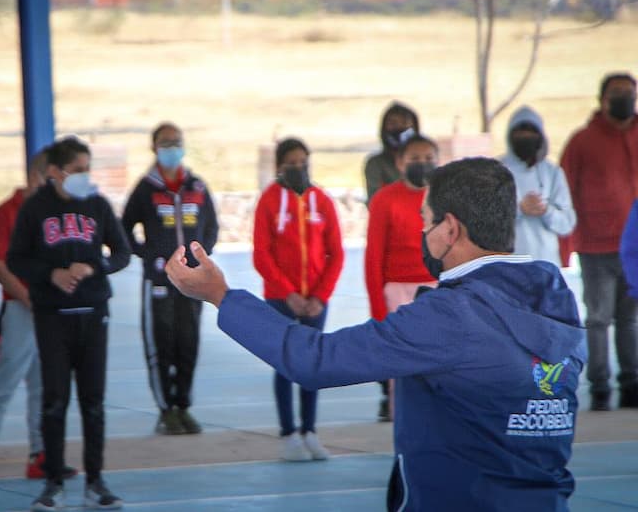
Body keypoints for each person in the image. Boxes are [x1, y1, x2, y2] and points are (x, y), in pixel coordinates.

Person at [167, 158, 586, 511]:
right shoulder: (558, 303)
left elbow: (316, 359)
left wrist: (221, 296)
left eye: (425, 221)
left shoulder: (451, 317)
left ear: (450, 229)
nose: (421, 233)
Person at [7, 136, 131, 511]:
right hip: (53, 317)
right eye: (78, 170)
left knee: (93, 402)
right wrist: (52, 274)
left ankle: (95, 481)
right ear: (55, 173)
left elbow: (123, 252)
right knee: (55, 400)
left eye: (87, 169)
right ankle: (54, 481)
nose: (85, 176)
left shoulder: (97, 205)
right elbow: (16, 260)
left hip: (93, 314)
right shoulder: (35, 209)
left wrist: (94, 267)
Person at [0, 151, 77, 486]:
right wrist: (27, 297)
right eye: (57, 178)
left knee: (45, 386)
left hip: (50, 311)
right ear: (37, 177)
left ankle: (41, 456)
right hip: (20, 310)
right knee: (4, 384)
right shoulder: (7, 212)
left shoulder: (58, 213)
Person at [121, 122, 219, 435]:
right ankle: (165, 410)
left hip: (193, 280)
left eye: (177, 142)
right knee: (161, 344)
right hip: (159, 280)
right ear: (154, 148)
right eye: (165, 143)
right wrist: (146, 254)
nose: (172, 148)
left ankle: (184, 407)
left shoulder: (197, 186)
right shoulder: (145, 188)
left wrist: (201, 255)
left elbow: (211, 226)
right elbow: (123, 229)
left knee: (188, 342)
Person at [252, 137, 344, 461]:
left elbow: (336, 253)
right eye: (291, 163)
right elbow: (262, 255)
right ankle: (288, 433)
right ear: (279, 167)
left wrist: (320, 295)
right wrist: (287, 292)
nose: (298, 168)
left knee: (311, 363)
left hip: (315, 301)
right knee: (285, 363)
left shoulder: (323, 200)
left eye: (303, 162)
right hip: (281, 299)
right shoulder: (268, 201)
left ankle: (310, 430)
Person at [560, 72, 638, 410]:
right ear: (602, 99)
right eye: (617, 93)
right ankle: (600, 384)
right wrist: (569, 242)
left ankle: (632, 381)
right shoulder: (582, 141)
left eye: (629, 93)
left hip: (634, 250)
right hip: (597, 246)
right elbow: (565, 190)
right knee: (598, 318)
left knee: (630, 319)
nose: (624, 99)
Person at [365, 135, 438, 421]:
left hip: (437, 287)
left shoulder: (444, 196)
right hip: (397, 291)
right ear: (399, 162)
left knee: (437, 364)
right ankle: (405, 431)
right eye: (415, 160)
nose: (423, 165)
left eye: (429, 159)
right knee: (402, 369)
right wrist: (378, 310)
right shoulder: (385, 199)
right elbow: (374, 257)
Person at [501, 106, 576, 265]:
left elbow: (566, 223)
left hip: (545, 264)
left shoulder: (552, 172)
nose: (526, 136)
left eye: (531, 131)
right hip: (507, 265)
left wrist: (546, 211)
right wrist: (519, 210)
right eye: (520, 131)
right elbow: (482, 221)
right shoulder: (495, 170)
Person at [363, 101, 420, 202]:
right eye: (393, 124)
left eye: (404, 123)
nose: (399, 128)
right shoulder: (376, 164)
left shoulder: (424, 161)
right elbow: (375, 202)